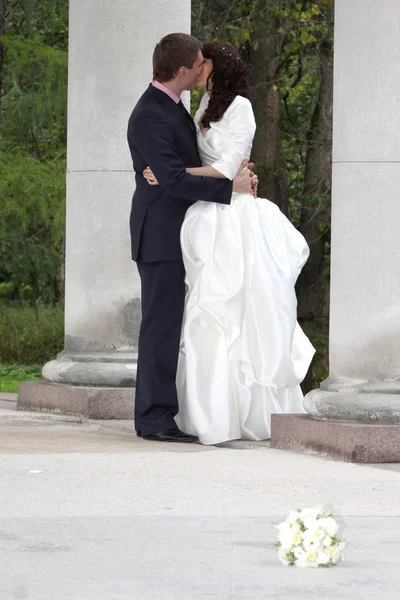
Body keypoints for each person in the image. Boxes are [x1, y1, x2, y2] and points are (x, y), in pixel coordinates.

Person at [143, 42, 315, 445]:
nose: (198, 68)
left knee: (241, 311)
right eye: (197, 63)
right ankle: (206, 411)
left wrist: (171, 172)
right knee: (206, 315)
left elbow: (223, 166)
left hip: (236, 216)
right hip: (205, 215)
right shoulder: (201, 107)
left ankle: (245, 412)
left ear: (216, 68)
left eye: (204, 63)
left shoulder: (241, 107)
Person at [127, 34, 257, 443]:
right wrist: (229, 187)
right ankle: (153, 420)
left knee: (181, 326)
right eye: (199, 63)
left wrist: (229, 175)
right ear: (182, 70)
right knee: (160, 328)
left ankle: (174, 410)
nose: (203, 68)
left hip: (188, 230)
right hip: (161, 236)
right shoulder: (150, 113)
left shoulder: (177, 106)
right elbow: (174, 182)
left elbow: (182, 169)